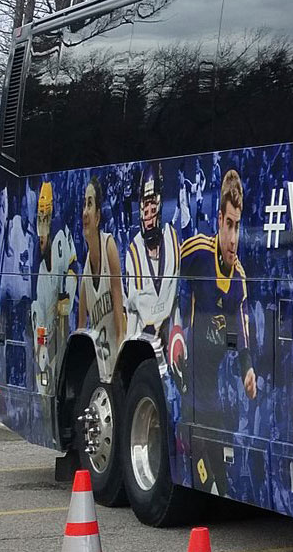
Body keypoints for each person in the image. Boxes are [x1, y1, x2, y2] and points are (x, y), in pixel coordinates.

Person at [180, 169, 258, 433]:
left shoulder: (239, 280)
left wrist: (247, 369)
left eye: (238, 227)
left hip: (211, 390)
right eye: (229, 225)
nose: (234, 239)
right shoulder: (197, 252)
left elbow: (240, 335)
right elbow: (168, 280)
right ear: (219, 221)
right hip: (188, 379)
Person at [123, 162, 182, 369]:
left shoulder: (173, 240)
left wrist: (179, 341)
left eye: (152, 208)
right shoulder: (133, 253)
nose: (148, 217)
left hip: (169, 347)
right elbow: (131, 313)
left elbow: (175, 302)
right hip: (144, 351)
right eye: (145, 209)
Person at [29, 181, 76, 396]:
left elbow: (73, 265)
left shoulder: (62, 234)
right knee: (43, 361)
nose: (42, 226)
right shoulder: (36, 259)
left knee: (61, 358)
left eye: (45, 218)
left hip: (62, 314)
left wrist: (67, 295)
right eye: (40, 218)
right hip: (44, 317)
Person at [77, 176, 126, 372]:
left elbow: (120, 321)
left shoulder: (109, 247)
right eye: (83, 205)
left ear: (97, 217)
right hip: (100, 366)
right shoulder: (86, 274)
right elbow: (80, 328)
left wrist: (122, 365)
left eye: (89, 205)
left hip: (116, 361)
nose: (84, 213)